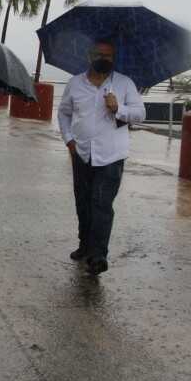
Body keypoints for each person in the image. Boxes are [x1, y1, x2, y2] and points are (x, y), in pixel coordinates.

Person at [58, 40, 145, 275]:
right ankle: (84, 245)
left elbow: (141, 114)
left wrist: (119, 109)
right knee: (83, 202)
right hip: (82, 153)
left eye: (109, 56)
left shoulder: (124, 84)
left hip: (112, 156)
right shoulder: (75, 83)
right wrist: (69, 140)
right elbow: (64, 113)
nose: (104, 59)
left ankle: (98, 256)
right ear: (89, 55)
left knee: (102, 205)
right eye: (100, 54)